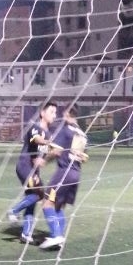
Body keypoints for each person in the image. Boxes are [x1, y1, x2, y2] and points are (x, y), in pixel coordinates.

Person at [39, 104, 88, 250]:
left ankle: (56, 236)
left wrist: (44, 160)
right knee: (58, 206)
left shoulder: (65, 129)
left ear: (66, 113)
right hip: (76, 174)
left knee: (47, 203)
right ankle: (58, 238)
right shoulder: (83, 134)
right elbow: (84, 157)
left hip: (64, 173)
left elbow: (56, 151)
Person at [7, 101, 57, 243]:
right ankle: (13, 211)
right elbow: (37, 140)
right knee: (39, 194)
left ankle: (26, 234)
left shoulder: (49, 133)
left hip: (34, 170)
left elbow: (47, 154)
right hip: (25, 166)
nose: (54, 115)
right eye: (52, 112)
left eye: (55, 112)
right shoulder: (35, 127)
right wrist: (48, 143)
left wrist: (48, 158)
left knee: (33, 198)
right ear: (42, 113)